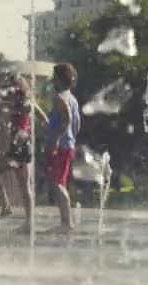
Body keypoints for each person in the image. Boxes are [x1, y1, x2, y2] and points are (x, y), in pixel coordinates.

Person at [0, 72, 48, 232]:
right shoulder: (26, 102)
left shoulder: (19, 103)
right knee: (4, 172)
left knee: (21, 183)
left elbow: (10, 124)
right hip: (22, 143)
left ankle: (26, 219)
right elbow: (44, 120)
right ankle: (10, 208)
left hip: (18, 144)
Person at [44, 63, 81, 233]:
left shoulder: (61, 98)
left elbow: (66, 118)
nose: (52, 80)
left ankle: (67, 223)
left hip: (61, 146)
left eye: (54, 77)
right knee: (60, 182)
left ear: (59, 79)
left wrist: (58, 138)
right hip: (68, 145)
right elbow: (76, 124)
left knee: (57, 183)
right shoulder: (72, 98)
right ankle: (64, 222)